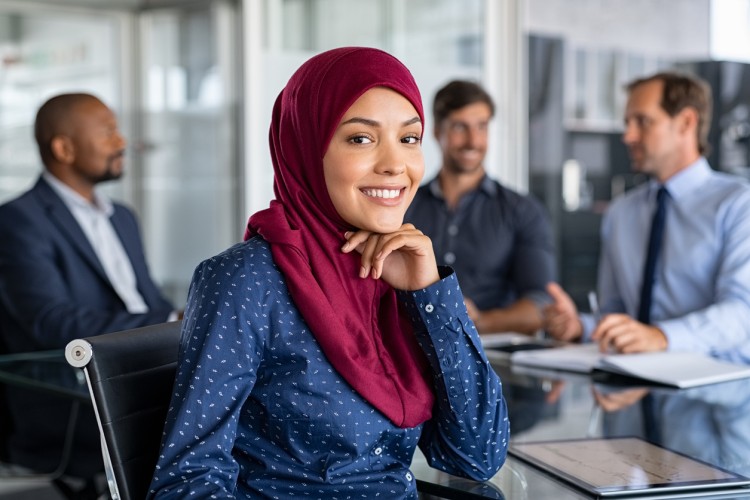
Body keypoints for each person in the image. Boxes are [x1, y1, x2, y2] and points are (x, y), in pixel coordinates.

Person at [148, 47, 509, 498]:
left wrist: (431, 294)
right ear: (306, 147)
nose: (395, 165)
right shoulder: (246, 281)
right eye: (361, 139)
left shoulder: (399, 274)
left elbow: (476, 456)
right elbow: (188, 483)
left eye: (409, 139)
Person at [0, 93, 177, 482]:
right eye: (108, 132)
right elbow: (51, 322)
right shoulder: (18, 221)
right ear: (64, 148)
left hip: (140, 378)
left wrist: (180, 320)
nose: (121, 142)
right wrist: (168, 319)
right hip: (76, 406)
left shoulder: (123, 218)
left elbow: (146, 298)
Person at [544, 72, 750, 364]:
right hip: (636, 381)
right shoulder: (621, 213)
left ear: (686, 123)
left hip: (721, 388)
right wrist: (581, 326)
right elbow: (619, 314)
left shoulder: (738, 204)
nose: (628, 136)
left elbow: (742, 314)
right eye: (627, 123)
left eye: (643, 121)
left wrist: (662, 337)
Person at [405, 80, 555, 335]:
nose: (473, 141)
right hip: (413, 354)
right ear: (436, 131)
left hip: (493, 360)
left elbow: (542, 304)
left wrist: (478, 320)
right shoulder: (405, 206)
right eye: (460, 127)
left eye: (482, 127)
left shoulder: (522, 211)